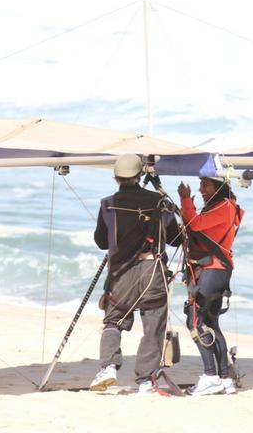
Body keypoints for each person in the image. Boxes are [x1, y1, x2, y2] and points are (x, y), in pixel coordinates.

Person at [89, 154, 181, 394]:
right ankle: (146, 381)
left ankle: (109, 367)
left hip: (121, 272)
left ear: (116, 178)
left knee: (114, 319)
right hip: (152, 270)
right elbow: (175, 239)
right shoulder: (160, 202)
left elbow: (100, 241)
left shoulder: (108, 204)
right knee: (153, 324)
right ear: (140, 176)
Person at [178, 176, 244, 396]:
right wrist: (186, 206)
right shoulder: (219, 206)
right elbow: (195, 227)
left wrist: (186, 199)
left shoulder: (225, 206)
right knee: (211, 323)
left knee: (195, 321)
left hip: (214, 269)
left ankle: (210, 375)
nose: (202, 189)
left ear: (219, 187)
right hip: (213, 269)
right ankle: (225, 379)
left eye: (206, 185)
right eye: (201, 185)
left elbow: (195, 224)